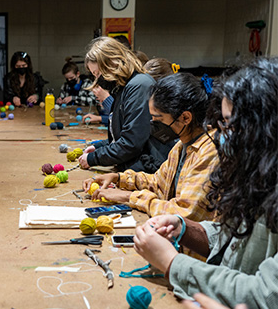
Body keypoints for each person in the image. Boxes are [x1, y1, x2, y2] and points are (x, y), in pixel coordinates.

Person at [133, 58, 278, 309]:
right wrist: (184, 229)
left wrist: (172, 263)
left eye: (231, 125)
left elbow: (263, 296)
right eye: (222, 124)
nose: (223, 136)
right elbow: (235, 238)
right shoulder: (262, 178)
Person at [83, 73, 218, 223]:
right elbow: (158, 182)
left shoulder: (209, 152)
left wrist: (128, 197)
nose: (152, 123)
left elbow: (183, 213)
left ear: (185, 118)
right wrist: (119, 178)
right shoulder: (181, 146)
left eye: (158, 118)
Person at [78, 36, 173, 173]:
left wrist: (94, 158)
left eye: (98, 73)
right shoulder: (123, 88)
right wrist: (99, 148)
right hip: (134, 167)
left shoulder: (139, 85)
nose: (97, 80)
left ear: (112, 64)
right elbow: (124, 135)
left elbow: (131, 143)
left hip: (148, 169)